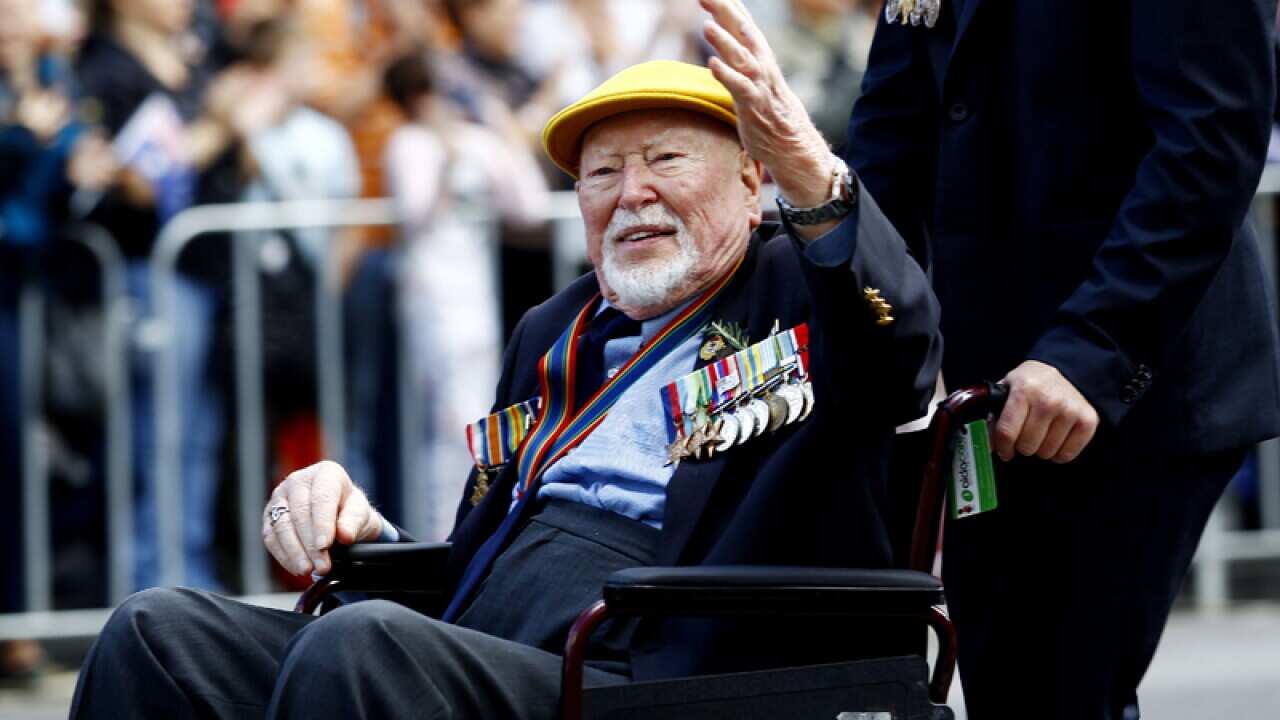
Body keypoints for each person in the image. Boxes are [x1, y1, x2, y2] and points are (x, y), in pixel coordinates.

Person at [71, 49, 943, 718]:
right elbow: (484, 553)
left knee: (364, 650)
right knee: (155, 632)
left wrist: (813, 174)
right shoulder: (551, 330)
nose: (631, 192)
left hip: (666, 660)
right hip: (499, 638)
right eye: (601, 173)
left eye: (668, 158)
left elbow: (900, 343)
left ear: (754, 180)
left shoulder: (800, 287)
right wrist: (366, 527)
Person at [842, 0, 1280, 718]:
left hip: (1123, 372)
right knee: (1012, 688)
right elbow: (893, 126)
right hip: (980, 385)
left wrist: (1092, 352)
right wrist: (862, 317)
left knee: (1057, 694)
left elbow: (1211, 140)